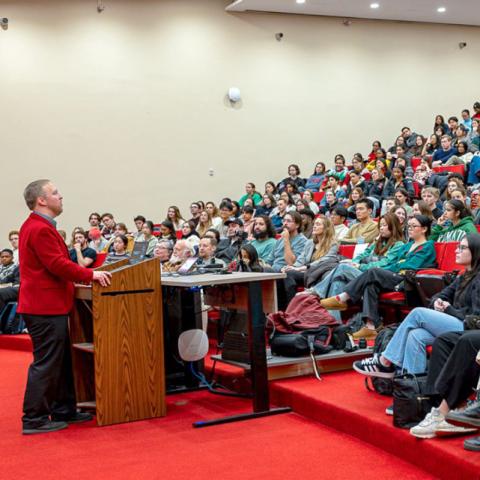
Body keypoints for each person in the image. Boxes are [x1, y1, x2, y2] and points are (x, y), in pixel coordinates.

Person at [19, 179, 111, 435]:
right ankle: (34, 418)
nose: (61, 196)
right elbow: (57, 264)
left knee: (59, 361)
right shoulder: (40, 228)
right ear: (41, 200)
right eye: (55, 193)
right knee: (47, 362)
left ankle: (63, 409)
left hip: (48, 305)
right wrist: (90, 275)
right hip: (44, 306)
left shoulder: (38, 226)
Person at [353, 234, 480, 385]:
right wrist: (437, 302)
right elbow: (440, 295)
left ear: (476, 251)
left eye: (462, 248)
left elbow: (476, 318)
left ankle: (385, 361)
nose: (456, 251)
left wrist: (449, 310)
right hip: (456, 323)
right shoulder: (463, 275)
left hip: (470, 331)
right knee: (416, 335)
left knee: (418, 313)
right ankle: (410, 391)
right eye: (458, 247)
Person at [321, 215, 436, 336]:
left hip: (407, 281)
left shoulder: (427, 246)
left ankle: (343, 298)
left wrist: (390, 267)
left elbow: (408, 266)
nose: (410, 229)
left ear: (424, 229)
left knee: (374, 271)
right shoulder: (407, 246)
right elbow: (394, 263)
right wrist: (393, 266)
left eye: (414, 226)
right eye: (408, 226)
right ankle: (370, 327)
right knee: (370, 284)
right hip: (394, 276)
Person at [281, 216, 338, 304]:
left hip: (319, 273)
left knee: (291, 274)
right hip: (307, 273)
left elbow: (325, 261)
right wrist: (292, 267)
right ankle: (291, 305)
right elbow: (301, 259)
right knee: (287, 273)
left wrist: (302, 268)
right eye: (314, 224)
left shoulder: (333, 244)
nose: (314, 226)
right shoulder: (309, 243)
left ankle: (295, 306)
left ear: (326, 228)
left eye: (318, 224)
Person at [0, 248, 20, 318]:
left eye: (7, 256)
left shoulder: (16, 268)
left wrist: (2, 286)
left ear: (12, 258)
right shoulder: (0, 268)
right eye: (2, 257)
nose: (4, 258)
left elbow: (16, 284)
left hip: (10, 290)